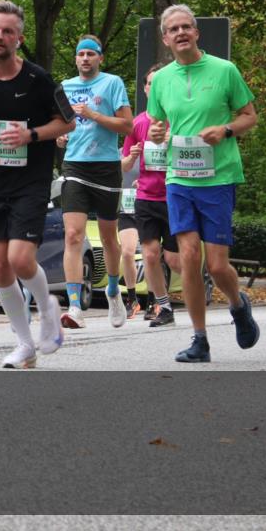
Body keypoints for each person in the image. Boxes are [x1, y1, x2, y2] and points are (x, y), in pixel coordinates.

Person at [0, 1, 75, 368]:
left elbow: (68, 123)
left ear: (19, 39)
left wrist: (32, 134)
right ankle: (25, 345)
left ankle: (47, 307)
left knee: (20, 258)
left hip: (30, 181)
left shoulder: (39, 80)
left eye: (8, 31)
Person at [147, 4, 259, 363]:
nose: (180, 33)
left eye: (186, 27)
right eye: (173, 29)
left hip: (219, 177)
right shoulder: (161, 80)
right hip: (179, 176)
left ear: (196, 33)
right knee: (188, 257)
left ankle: (239, 305)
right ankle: (200, 340)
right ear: (165, 39)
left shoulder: (224, 71)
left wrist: (225, 130)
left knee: (217, 265)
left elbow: (249, 116)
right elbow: (156, 126)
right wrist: (157, 131)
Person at [56, 34, 133, 330]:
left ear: (100, 58)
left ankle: (113, 291)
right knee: (73, 235)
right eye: (81, 54)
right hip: (74, 166)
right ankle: (75, 306)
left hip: (106, 167)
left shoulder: (112, 83)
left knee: (108, 235)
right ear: (75, 58)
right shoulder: (64, 87)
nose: (85, 58)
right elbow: (61, 126)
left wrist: (92, 114)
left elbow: (126, 124)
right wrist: (60, 137)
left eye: (91, 54)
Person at [122, 62, 181, 327]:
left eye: (161, 82)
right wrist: (130, 159)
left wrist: (173, 141)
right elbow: (124, 164)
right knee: (150, 254)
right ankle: (164, 306)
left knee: (175, 260)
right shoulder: (137, 123)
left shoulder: (181, 118)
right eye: (150, 83)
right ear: (146, 89)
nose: (155, 87)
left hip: (175, 195)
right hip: (146, 196)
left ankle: (208, 279)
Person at [117, 164, 141, 319]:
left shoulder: (155, 148)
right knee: (127, 253)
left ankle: (155, 300)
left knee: (151, 254)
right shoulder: (116, 153)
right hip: (126, 209)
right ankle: (132, 300)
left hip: (149, 206)